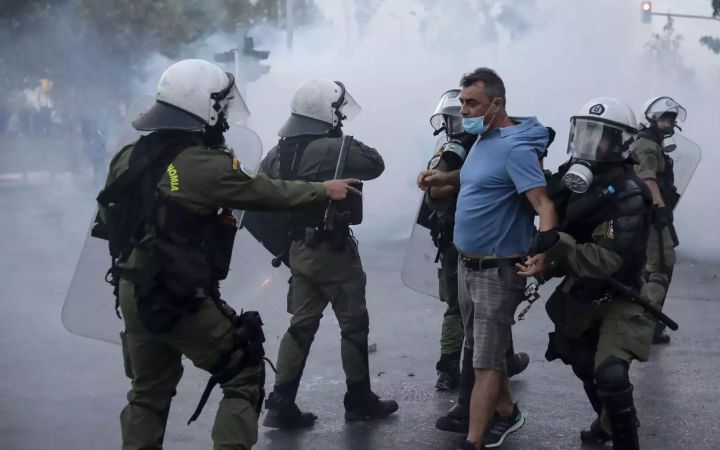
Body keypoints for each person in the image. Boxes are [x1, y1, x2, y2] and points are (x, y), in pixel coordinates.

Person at [100, 59, 359, 450]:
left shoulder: (128, 158)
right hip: (177, 292)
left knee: (148, 392)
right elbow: (264, 193)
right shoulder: (205, 164)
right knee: (243, 372)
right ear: (207, 108)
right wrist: (325, 190)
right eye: (220, 108)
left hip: (132, 290)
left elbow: (110, 219)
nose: (223, 117)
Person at [257, 79, 398, 430]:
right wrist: (338, 139)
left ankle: (281, 402)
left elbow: (258, 201)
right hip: (333, 252)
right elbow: (375, 164)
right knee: (353, 325)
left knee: (300, 326)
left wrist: (285, 248)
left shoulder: (276, 154)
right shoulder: (334, 148)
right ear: (326, 114)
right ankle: (359, 400)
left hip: (299, 251)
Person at [517, 97, 654, 450]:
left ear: (621, 142)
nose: (590, 144)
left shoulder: (629, 194)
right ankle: (608, 422)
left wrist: (556, 245)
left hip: (620, 295)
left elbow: (607, 261)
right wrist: (543, 261)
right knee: (582, 362)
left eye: (601, 136)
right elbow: (544, 206)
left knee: (610, 373)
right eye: (585, 133)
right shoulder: (574, 176)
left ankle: (626, 439)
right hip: (582, 290)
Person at [432, 67, 558, 450]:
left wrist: (544, 253)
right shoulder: (485, 140)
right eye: (463, 103)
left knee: (483, 363)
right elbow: (480, 178)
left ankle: (473, 440)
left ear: (497, 103)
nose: (465, 111)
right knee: (484, 346)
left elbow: (543, 203)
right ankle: (506, 411)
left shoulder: (516, 148)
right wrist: (442, 179)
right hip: (467, 265)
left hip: (497, 270)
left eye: (473, 103)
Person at [417, 89, 531, 394]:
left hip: (469, 240)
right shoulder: (454, 153)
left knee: (486, 307)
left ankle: (494, 361)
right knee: (470, 307)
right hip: (467, 241)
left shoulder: (483, 146)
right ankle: (454, 369)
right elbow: (433, 192)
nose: (460, 123)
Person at [631, 96, 686, 345]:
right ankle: (647, 323)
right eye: (664, 118)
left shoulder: (654, 142)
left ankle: (648, 319)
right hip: (653, 215)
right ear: (651, 118)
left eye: (671, 119)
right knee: (660, 266)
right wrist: (659, 207)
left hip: (653, 213)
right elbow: (648, 178)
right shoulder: (647, 144)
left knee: (654, 266)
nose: (668, 123)